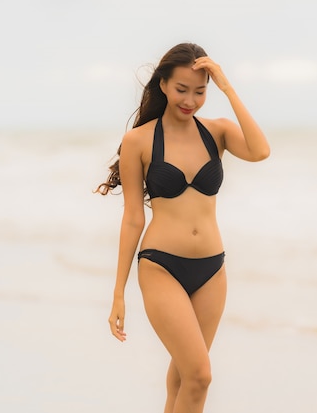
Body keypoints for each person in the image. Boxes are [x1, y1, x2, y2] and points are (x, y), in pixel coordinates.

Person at [95, 42, 270, 413]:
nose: (190, 100)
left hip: (212, 270)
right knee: (200, 376)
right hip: (162, 267)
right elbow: (132, 219)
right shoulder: (139, 141)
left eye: (200, 91)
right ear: (162, 85)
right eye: (182, 89)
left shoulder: (217, 132)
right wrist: (118, 292)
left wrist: (227, 86)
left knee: (182, 378)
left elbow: (260, 150)